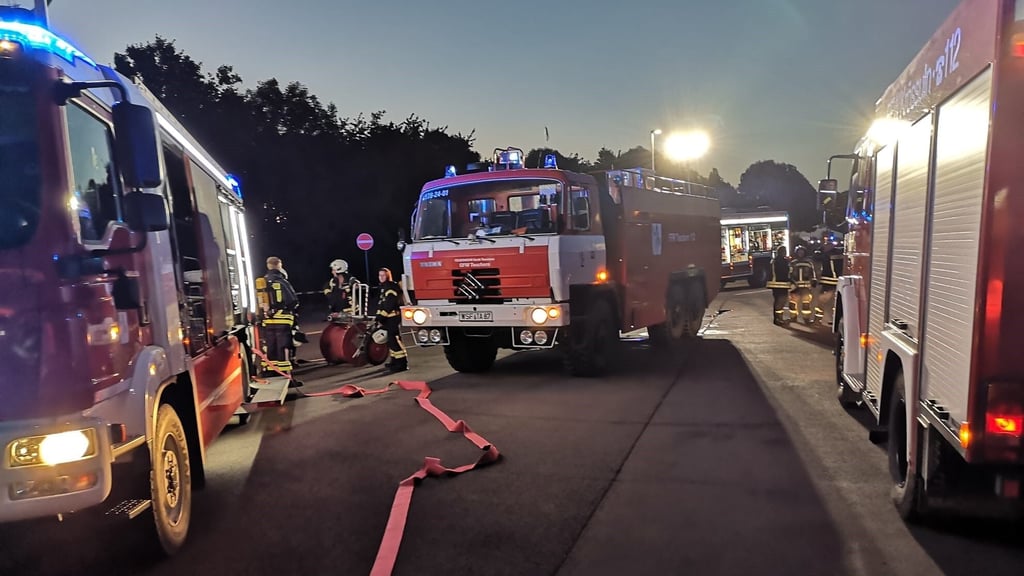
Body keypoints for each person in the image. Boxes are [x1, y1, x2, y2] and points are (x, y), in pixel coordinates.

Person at [260, 256, 299, 379]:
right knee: (283, 346)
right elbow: (293, 300)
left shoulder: (262, 282)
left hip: (268, 320)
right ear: (279, 265)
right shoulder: (282, 281)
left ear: (268, 266)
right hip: (282, 319)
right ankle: (284, 374)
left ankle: (271, 371)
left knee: (271, 345)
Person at [375, 267, 408, 373]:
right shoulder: (384, 287)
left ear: (388, 276)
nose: (381, 277)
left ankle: (401, 364)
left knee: (394, 340)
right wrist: (378, 316)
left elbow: (389, 304)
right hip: (388, 318)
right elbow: (382, 304)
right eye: (380, 275)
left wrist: (381, 316)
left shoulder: (390, 287)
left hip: (392, 317)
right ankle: (394, 361)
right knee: (390, 341)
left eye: (383, 275)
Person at [813, 241, 843, 324]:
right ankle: (835, 320)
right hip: (838, 282)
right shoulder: (839, 254)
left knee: (821, 301)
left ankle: (817, 319)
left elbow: (815, 257)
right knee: (836, 302)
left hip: (828, 282)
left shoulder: (826, 255)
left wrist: (820, 249)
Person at [789, 245, 817, 324]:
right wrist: (791, 282)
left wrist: (814, 280)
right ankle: (793, 317)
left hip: (806, 287)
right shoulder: (793, 263)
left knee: (806, 304)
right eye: (799, 252)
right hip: (795, 287)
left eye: (802, 252)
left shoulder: (808, 263)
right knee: (792, 303)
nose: (800, 253)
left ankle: (806, 319)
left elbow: (812, 273)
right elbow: (789, 274)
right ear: (796, 253)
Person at [766, 245, 791, 325]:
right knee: (780, 302)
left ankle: (778, 319)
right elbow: (784, 273)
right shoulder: (781, 261)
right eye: (784, 251)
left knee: (778, 301)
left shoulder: (775, 260)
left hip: (777, 285)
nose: (785, 253)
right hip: (780, 284)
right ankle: (778, 319)